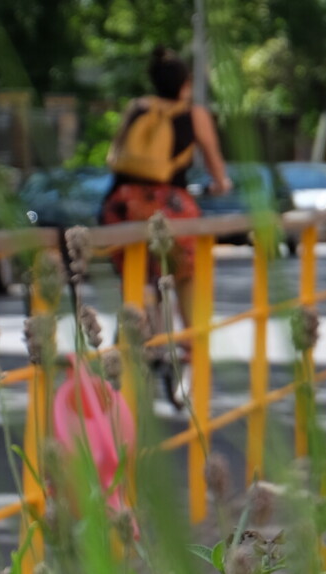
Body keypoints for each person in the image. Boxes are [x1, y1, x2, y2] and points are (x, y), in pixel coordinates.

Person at [100, 46, 231, 407]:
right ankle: (190, 357)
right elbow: (215, 164)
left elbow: (116, 156)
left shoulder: (137, 108)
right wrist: (221, 184)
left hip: (123, 206)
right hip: (171, 209)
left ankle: (129, 349)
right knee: (188, 277)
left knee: (134, 277)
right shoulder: (195, 114)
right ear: (185, 84)